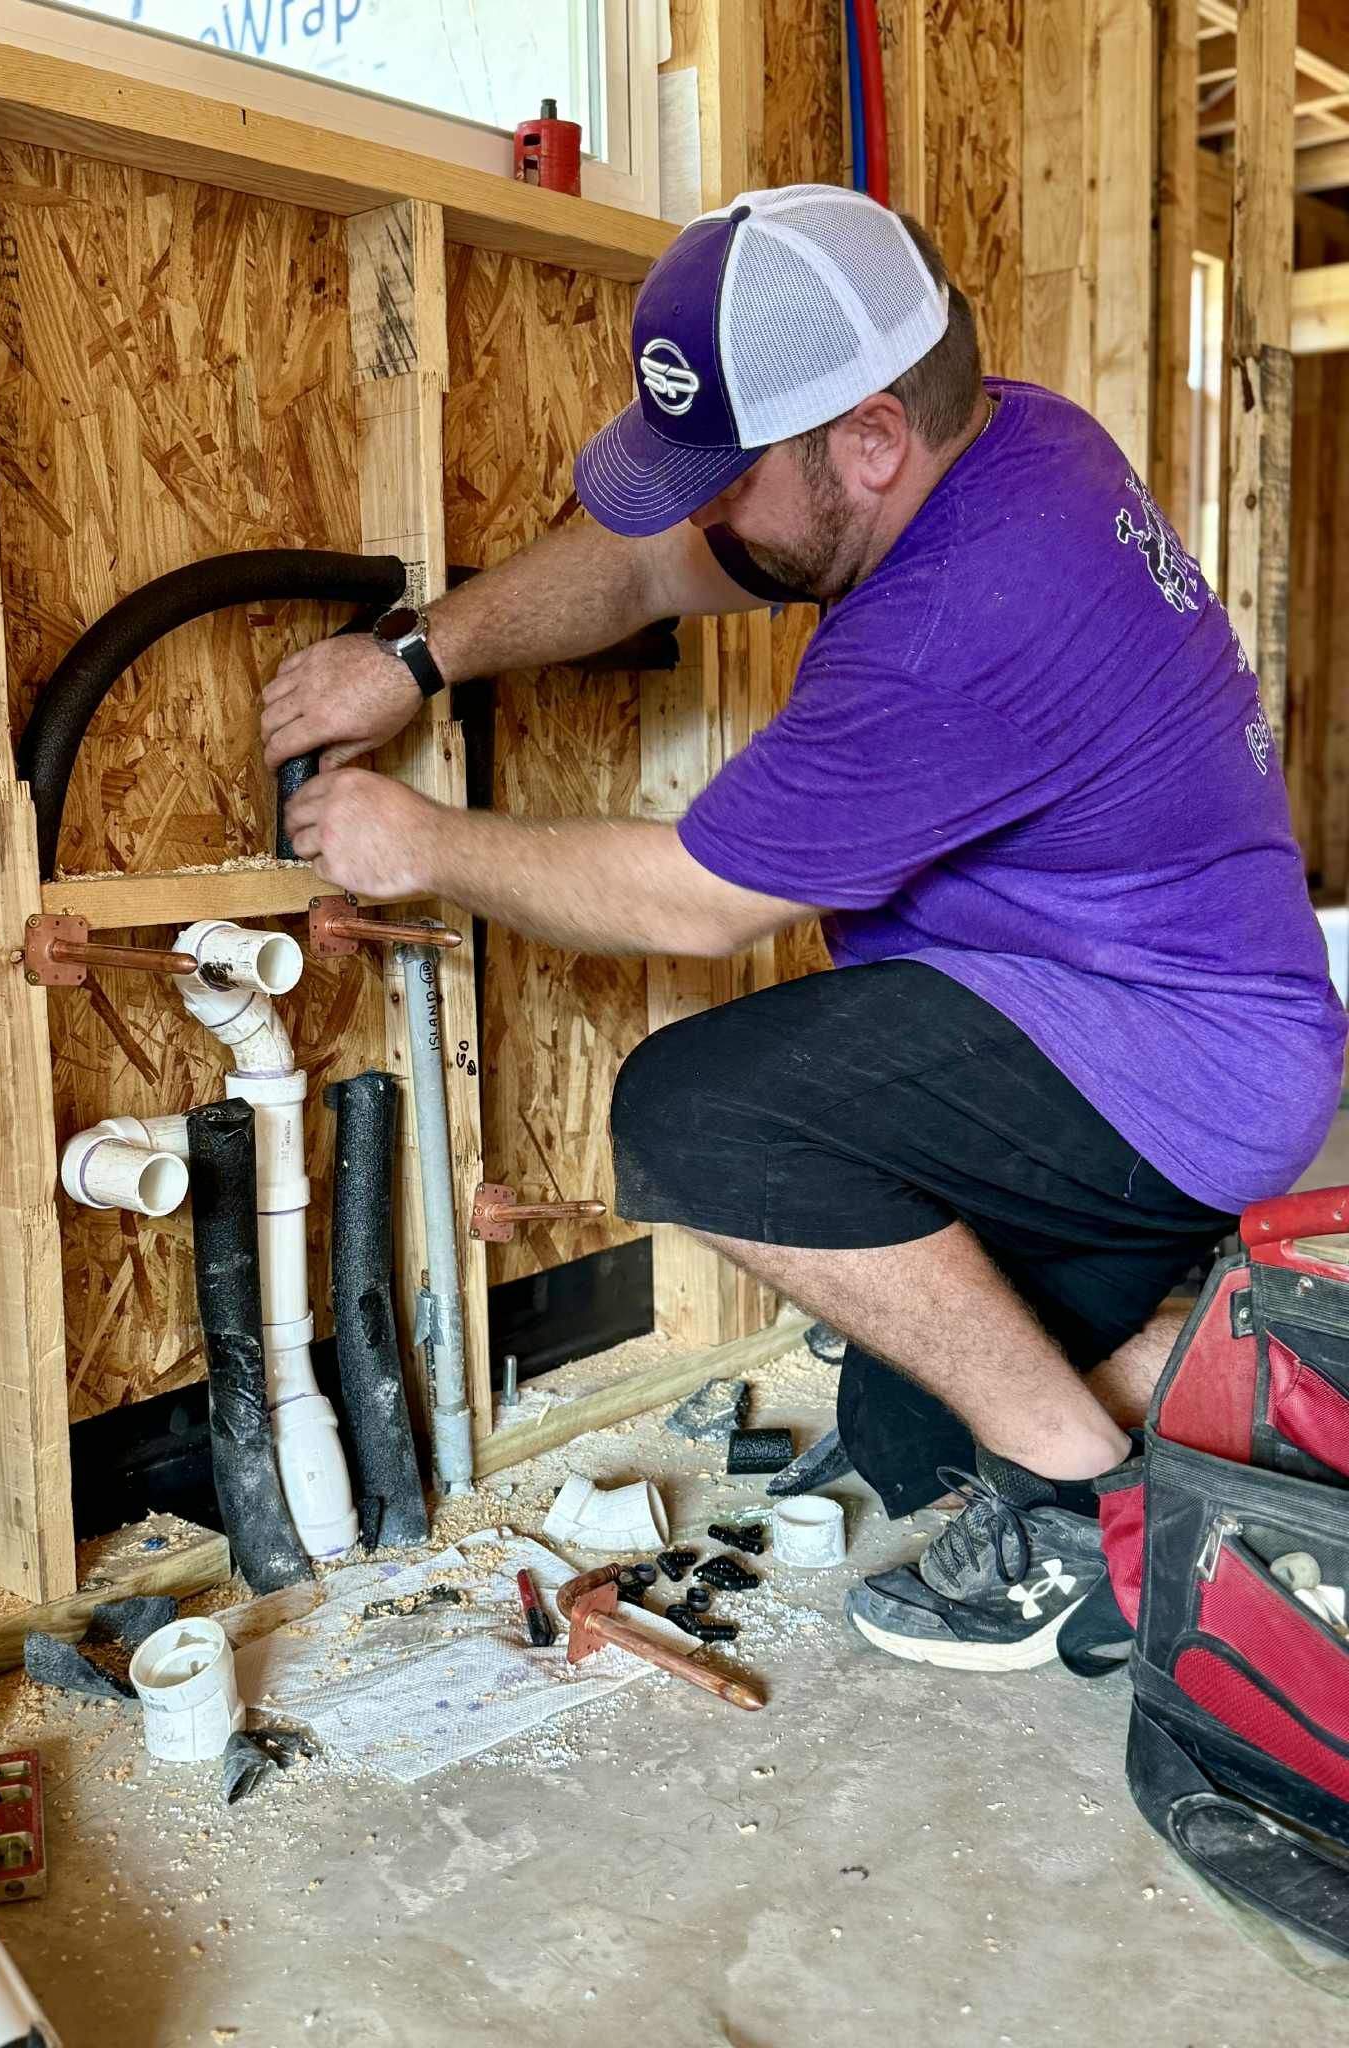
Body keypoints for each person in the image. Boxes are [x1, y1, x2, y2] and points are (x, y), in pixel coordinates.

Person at [262, 185, 1346, 1672]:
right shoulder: (991, 438)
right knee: (905, 1430)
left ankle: (1082, 1513)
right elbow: (647, 562)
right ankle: (1265, 1375)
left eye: (724, 474)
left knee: (705, 1117)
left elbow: (697, 909)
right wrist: (417, 655)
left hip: (1175, 1072)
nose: (699, 510)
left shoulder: (964, 617)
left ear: (871, 440)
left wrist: (420, 841)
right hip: (1130, 1016)